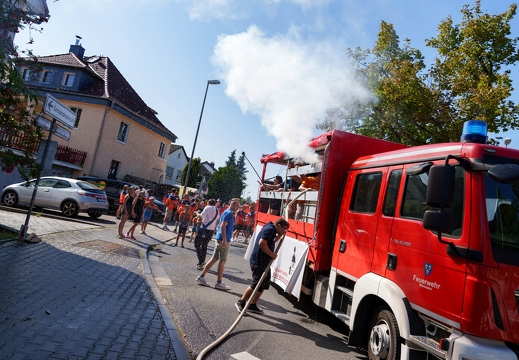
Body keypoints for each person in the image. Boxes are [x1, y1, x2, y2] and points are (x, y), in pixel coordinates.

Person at [235, 218, 290, 314]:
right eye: (284, 229)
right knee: (256, 284)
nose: (285, 231)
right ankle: (241, 301)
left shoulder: (272, 229)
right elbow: (262, 243)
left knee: (264, 285)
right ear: (279, 225)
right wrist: (271, 254)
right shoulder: (269, 229)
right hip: (258, 261)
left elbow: (272, 240)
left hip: (264, 262)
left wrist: (280, 235)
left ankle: (252, 304)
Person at [196, 198, 240, 290]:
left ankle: (202, 276)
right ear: (233, 205)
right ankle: (219, 282)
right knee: (222, 261)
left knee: (215, 258)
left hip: (221, 238)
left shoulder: (228, 212)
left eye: (238, 206)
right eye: (237, 205)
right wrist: (224, 240)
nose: (238, 207)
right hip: (224, 239)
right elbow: (223, 226)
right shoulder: (228, 213)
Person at [194, 199, 219, 269]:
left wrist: (197, 213)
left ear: (208, 203)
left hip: (204, 229)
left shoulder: (207, 207)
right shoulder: (217, 210)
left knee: (197, 244)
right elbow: (217, 220)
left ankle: (201, 260)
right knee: (204, 245)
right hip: (211, 230)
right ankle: (202, 262)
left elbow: (201, 216)